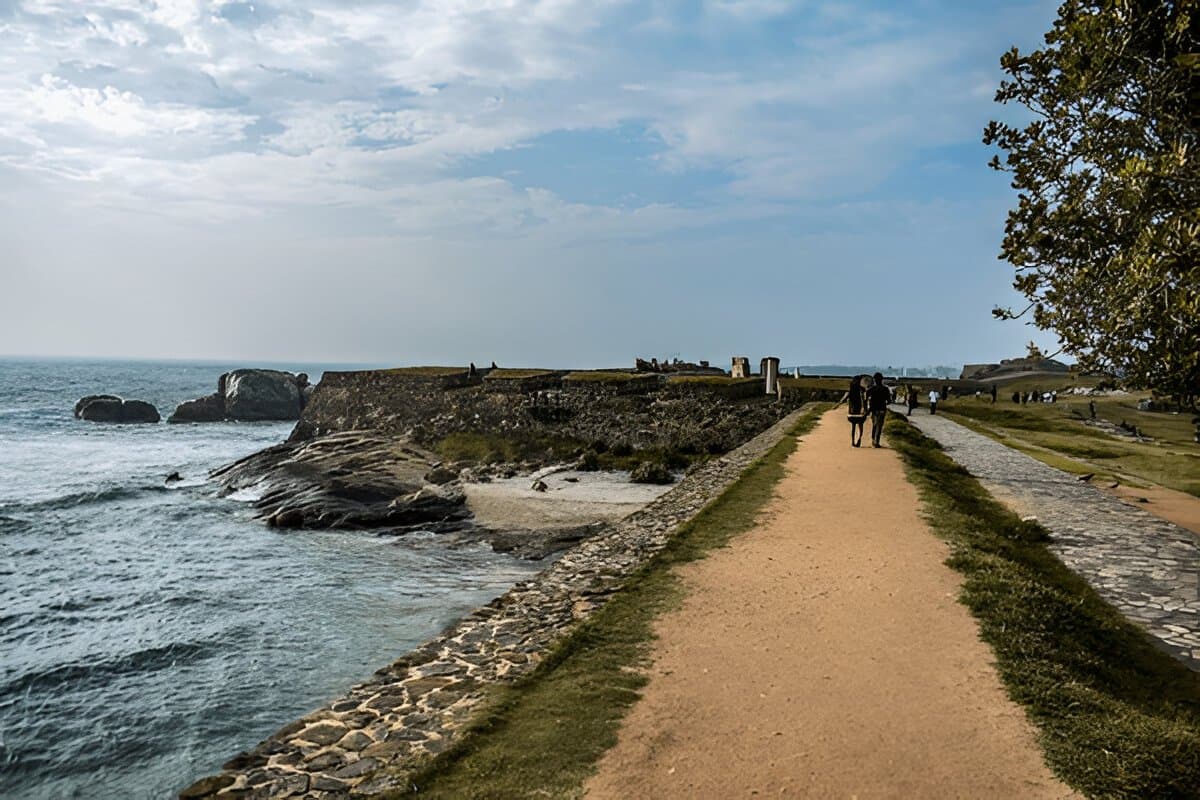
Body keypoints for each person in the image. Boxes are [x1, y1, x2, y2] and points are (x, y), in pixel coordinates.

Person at [834, 375, 867, 447]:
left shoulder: (850, 391)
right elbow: (864, 400)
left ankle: (853, 441)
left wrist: (836, 406)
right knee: (860, 426)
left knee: (853, 427)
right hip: (860, 412)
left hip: (852, 412)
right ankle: (859, 440)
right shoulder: (862, 390)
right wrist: (865, 408)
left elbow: (842, 400)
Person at [866, 372, 891, 447]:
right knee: (879, 426)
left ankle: (873, 440)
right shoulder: (885, 389)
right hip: (882, 409)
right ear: (881, 379)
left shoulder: (871, 389)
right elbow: (889, 400)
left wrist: (867, 407)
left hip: (873, 409)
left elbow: (865, 398)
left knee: (874, 424)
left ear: (874, 380)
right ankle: (876, 441)